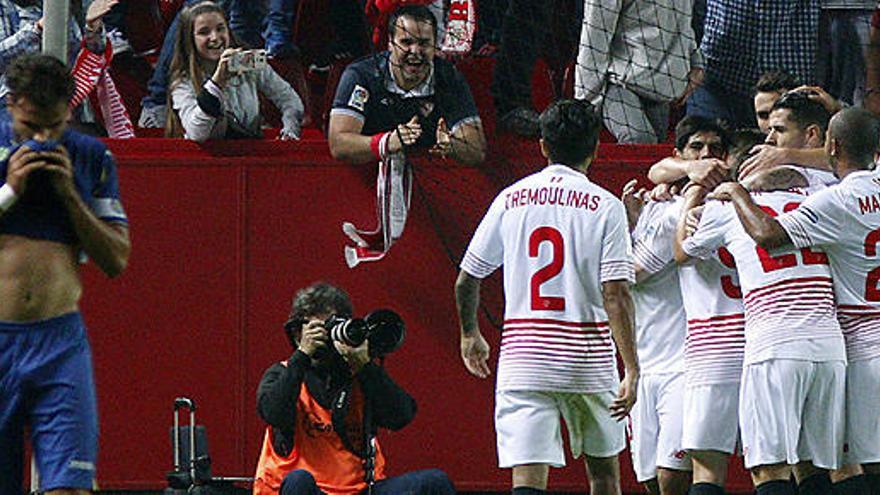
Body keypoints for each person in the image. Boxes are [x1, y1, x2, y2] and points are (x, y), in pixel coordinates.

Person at [455, 99, 640, 495]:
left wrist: (469, 333)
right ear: (595, 149)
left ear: (542, 146)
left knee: (527, 483)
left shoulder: (510, 199)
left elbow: (467, 278)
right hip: (586, 361)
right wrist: (632, 368)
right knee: (605, 476)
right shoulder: (606, 206)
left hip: (525, 361)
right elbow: (616, 294)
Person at [702, 107, 880, 494]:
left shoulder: (835, 201)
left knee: (787, 467)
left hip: (855, 348)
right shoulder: (832, 189)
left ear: (830, 145)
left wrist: (736, 191)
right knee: (839, 465)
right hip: (833, 346)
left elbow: (767, 234)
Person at [0, 54, 131, 494]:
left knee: (70, 487)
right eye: (31, 126)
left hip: (58, 345)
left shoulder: (90, 158)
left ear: (68, 111)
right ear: (11, 103)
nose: (41, 139)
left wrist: (72, 198)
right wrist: (9, 191)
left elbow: (116, 259)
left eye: (53, 127)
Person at [675, 164, 847, 495]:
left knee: (770, 470)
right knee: (814, 468)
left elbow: (682, 251)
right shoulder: (818, 196)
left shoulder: (724, 208)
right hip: (829, 344)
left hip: (774, 344)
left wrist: (693, 193)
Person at [253, 282, 456, 495]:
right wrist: (302, 356)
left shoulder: (358, 373)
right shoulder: (283, 373)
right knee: (299, 482)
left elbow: (401, 416)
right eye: (319, 330)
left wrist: (365, 366)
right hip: (303, 488)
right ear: (298, 334)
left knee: (434, 482)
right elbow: (272, 413)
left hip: (359, 489)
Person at [328, 4, 486, 166]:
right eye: (406, 42)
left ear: (434, 44)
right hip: (366, 180)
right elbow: (339, 144)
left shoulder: (449, 78)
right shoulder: (362, 75)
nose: (415, 51)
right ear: (390, 43)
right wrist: (387, 142)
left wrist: (451, 145)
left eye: (424, 43)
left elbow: (477, 150)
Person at [165, 1, 304, 141]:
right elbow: (198, 133)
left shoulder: (248, 62)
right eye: (204, 32)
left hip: (250, 153)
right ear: (190, 39)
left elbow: (290, 100)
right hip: (208, 157)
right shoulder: (183, 80)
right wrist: (217, 81)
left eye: (220, 29)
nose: (215, 37)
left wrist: (290, 130)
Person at [575, 0, 703, 144]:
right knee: (640, 141)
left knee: (653, 160)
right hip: (619, 83)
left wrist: (695, 62)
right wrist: (584, 108)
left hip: (663, 90)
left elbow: (685, 23)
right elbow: (594, 40)